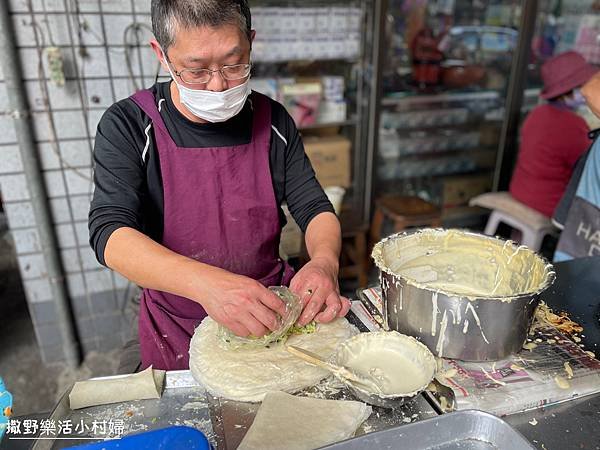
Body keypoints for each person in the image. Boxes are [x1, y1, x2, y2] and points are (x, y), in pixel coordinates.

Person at [88, 0, 351, 371]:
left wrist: (324, 262)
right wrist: (209, 286)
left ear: (251, 43)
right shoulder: (129, 125)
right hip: (176, 320)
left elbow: (314, 207)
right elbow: (110, 233)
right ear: (161, 55)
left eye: (234, 64)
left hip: (272, 310)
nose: (217, 85)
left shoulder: (273, 120)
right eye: (196, 70)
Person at [509, 51, 598, 218]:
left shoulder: (538, 112)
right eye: (582, 85)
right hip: (548, 203)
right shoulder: (572, 125)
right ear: (568, 91)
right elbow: (583, 165)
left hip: (520, 189)